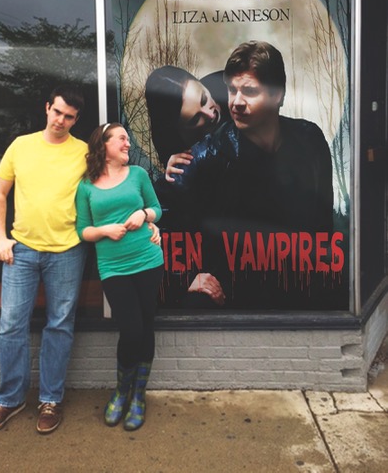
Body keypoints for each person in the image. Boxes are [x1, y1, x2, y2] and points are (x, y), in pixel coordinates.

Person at [165, 41, 334, 308]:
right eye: (232, 90)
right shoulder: (205, 156)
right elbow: (164, 231)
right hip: (237, 304)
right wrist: (185, 279)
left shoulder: (310, 139)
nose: (237, 102)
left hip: (301, 298)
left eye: (250, 91)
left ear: (277, 95)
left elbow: (323, 227)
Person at [0, 85, 88, 435]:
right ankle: (10, 399)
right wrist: (0, 238)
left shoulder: (84, 152)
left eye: (69, 116)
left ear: (76, 119)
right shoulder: (21, 146)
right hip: (21, 250)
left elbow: (106, 190)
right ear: (47, 108)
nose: (61, 120)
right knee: (11, 324)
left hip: (68, 250)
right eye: (57, 112)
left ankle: (50, 399)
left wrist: (145, 218)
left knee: (59, 325)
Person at [75, 122, 164, 431]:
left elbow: (156, 208)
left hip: (148, 260)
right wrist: (104, 230)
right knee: (131, 329)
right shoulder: (86, 185)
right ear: (104, 145)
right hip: (113, 267)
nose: (128, 143)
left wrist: (146, 216)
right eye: (122, 139)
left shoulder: (138, 175)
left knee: (146, 325)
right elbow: (82, 229)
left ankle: (138, 396)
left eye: (127, 139)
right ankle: (121, 390)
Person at [145, 66, 229, 167]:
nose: (210, 115)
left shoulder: (231, 82)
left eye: (204, 99)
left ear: (200, 83)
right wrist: (175, 169)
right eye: (195, 119)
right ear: (180, 131)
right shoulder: (172, 147)